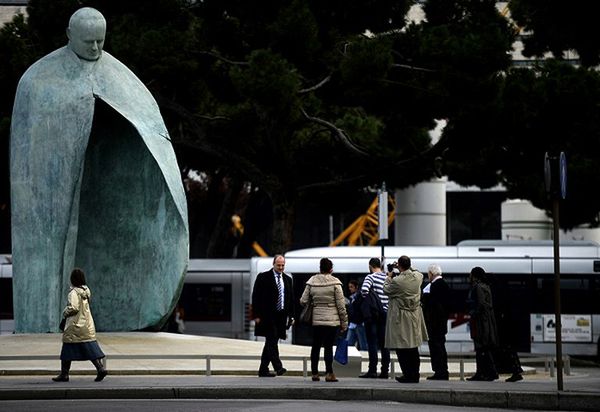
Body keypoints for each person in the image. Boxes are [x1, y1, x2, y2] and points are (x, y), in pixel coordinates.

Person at [10, 7, 188, 333]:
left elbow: (153, 134)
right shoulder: (37, 80)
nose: (95, 49)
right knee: (50, 245)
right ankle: (41, 319)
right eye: (88, 42)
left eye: (100, 42)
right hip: (46, 206)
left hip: (97, 193)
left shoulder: (123, 79)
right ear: (68, 35)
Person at [53, 268, 107, 382]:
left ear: (72, 279)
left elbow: (74, 308)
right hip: (87, 325)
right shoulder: (86, 291)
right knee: (89, 348)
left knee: (67, 350)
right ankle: (100, 368)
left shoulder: (73, 293)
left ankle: (64, 374)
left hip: (74, 326)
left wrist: (64, 312)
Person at [300, 258, 348, 382]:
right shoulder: (336, 283)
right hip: (332, 321)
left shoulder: (312, 281)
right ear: (331, 269)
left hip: (316, 320)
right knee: (328, 347)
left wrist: (315, 301)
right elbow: (341, 306)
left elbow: (303, 300)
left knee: (315, 346)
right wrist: (344, 323)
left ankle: (315, 373)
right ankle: (329, 373)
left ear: (320, 268)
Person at [384, 256, 428, 383]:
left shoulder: (397, 281)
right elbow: (415, 271)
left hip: (401, 317)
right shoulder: (418, 277)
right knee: (413, 348)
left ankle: (407, 374)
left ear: (400, 265)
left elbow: (386, 289)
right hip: (414, 316)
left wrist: (389, 276)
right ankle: (415, 374)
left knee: (401, 347)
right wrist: (403, 267)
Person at [251, 255, 294, 377]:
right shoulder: (263, 277)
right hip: (267, 316)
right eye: (278, 265)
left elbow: (290, 299)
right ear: (273, 264)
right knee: (272, 340)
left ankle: (263, 369)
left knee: (271, 342)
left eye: (282, 265)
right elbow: (256, 297)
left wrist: (291, 316)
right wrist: (256, 315)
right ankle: (278, 367)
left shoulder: (287, 279)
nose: (281, 267)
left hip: (281, 316)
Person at [466, 266, 499, 381]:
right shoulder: (486, 286)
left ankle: (483, 373)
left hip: (480, 322)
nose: (469, 277)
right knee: (484, 348)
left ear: (474, 276)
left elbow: (480, 304)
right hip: (487, 321)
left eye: (470, 274)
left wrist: (473, 313)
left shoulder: (478, 287)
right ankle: (489, 372)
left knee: (480, 347)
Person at [359, 258, 390, 379]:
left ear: (370, 266)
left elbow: (364, 290)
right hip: (385, 314)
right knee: (384, 344)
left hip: (373, 315)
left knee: (372, 343)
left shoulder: (370, 277)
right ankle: (384, 371)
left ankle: (372, 370)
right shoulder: (387, 277)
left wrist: (372, 302)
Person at [489, 274, 524, 382]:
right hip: (509, 327)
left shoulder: (497, 294)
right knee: (509, 350)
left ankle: (516, 370)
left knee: (508, 349)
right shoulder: (505, 292)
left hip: (505, 328)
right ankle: (515, 370)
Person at [422, 263, 451, 380]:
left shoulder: (433, 286)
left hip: (434, 324)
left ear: (431, 273)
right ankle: (443, 371)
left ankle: (439, 372)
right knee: (441, 347)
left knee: (436, 348)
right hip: (441, 323)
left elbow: (430, 305)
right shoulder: (445, 285)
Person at [346, 280, 368, 351]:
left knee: (362, 344)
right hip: (353, 323)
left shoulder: (360, 297)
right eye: (349, 287)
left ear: (356, 287)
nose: (350, 289)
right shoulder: (351, 298)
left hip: (359, 323)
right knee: (349, 343)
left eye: (351, 287)